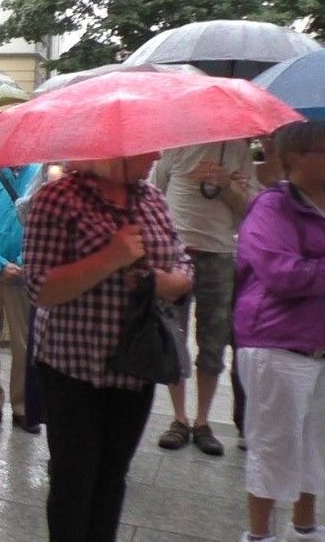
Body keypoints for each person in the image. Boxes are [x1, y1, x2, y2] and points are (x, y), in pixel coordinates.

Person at [24, 154, 193, 541]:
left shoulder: (152, 198)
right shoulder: (56, 198)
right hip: (72, 367)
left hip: (136, 365)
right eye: (147, 148)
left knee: (113, 477)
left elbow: (184, 261)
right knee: (73, 481)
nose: (157, 155)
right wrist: (111, 257)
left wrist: (168, 283)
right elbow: (39, 288)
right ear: (118, 151)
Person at [235, 121, 325, 542]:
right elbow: (281, 273)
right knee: (274, 443)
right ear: (294, 158)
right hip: (279, 341)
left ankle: (304, 527)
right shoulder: (272, 206)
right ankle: (259, 535)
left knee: (318, 442)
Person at [150, 140, 257, 456]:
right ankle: (179, 418)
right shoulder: (176, 145)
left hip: (220, 254)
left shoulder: (237, 150)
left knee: (213, 342)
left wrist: (227, 185)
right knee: (174, 336)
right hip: (176, 251)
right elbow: (155, 192)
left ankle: (202, 421)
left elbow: (250, 209)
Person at [0, 162, 43, 432]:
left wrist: (23, 262)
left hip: (23, 273)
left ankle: (22, 405)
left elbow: (43, 225)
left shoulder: (39, 176)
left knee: (23, 343)